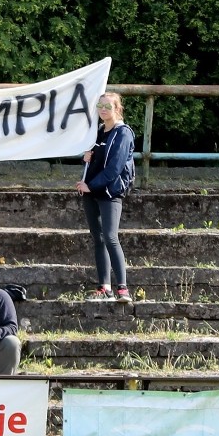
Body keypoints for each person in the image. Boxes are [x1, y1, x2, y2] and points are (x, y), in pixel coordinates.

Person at [75, 92, 136, 303]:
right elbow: (95, 161)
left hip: (109, 193)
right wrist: (86, 159)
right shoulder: (99, 131)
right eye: (100, 105)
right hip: (91, 191)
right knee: (98, 238)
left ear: (117, 109)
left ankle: (123, 289)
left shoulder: (123, 133)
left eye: (108, 106)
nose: (103, 109)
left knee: (110, 236)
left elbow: (115, 168)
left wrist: (91, 186)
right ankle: (105, 286)